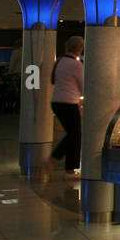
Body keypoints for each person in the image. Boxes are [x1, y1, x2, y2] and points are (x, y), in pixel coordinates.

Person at [49, 36, 85, 178]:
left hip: (56, 101)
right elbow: (83, 86)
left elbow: (53, 80)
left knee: (72, 133)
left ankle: (58, 160)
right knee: (75, 135)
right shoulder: (76, 65)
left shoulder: (59, 61)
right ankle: (67, 168)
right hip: (68, 102)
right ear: (80, 49)